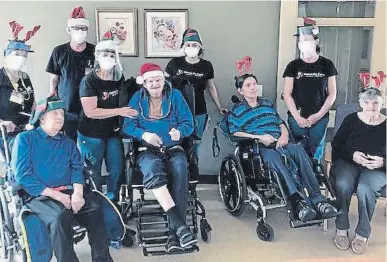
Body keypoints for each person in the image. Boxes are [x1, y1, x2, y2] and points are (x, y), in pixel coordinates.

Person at [227, 62, 338, 222]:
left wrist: (284, 135)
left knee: (299, 151)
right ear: (240, 90)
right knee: (274, 158)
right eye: (248, 85)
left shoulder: (267, 105)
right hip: (260, 146)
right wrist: (259, 138)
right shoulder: (237, 110)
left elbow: (280, 123)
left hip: (281, 141)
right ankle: (297, 202)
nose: (253, 87)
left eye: (254, 84)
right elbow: (234, 132)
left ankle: (318, 200)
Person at [11, 95, 113, 262]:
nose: (60, 117)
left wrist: (78, 194)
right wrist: (57, 195)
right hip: (40, 196)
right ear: (42, 118)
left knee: (94, 209)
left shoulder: (67, 142)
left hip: (71, 191)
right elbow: (23, 175)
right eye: (55, 114)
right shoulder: (25, 139)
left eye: (62, 114)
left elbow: (77, 168)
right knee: (60, 216)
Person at [124, 63, 197, 252]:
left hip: (174, 148)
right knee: (152, 169)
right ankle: (180, 227)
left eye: (158, 80)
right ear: (144, 84)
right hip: (146, 150)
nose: (155, 84)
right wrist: (144, 135)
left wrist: (179, 132)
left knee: (180, 170)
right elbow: (128, 126)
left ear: (163, 80)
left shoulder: (176, 96)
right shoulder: (136, 99)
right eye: (151, 81)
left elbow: (189, 123)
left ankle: (174, 234)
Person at [77, 31, 137, 200]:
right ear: (97, 56)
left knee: (116, 169)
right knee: (92, 171)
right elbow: (91, 111)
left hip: (112, 133)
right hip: (90, 133)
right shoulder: (88, 81)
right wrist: (119, 111)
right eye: (105, 54)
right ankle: (94, 203)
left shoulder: (119, 77)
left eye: (112, 54)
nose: (109, 57)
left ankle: (113, 203)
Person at [331, 80, 386, 255]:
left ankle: (362, 234)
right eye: (367, 102)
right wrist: (352, 154)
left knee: (365, 188)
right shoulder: (351, 119)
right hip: (349, 162)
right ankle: (341, 227)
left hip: (377, 168)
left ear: (382, 104)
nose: (371, 106)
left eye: (376, 102)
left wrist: (383, 161)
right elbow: (336, 144)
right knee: (343, 183)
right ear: (361, 104)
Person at [164, 28, 227, 159]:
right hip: (176, 110)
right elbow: (163, 85)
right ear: (183, 46)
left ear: (200, 47)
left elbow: (211, 87)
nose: (191, 47)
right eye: (188, 45)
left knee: (195, 143)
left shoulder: (206, 66)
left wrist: (219, 106)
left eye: (194, 45)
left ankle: (193, 171)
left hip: (198, 110)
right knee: (176, 142)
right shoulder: (174, 63)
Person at [283, 17, 337, 164]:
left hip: (320, 118)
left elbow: (332, 93)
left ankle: (315, 182)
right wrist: (297, 117)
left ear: (316, 42)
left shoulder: (327, 64)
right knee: (298, 152)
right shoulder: (293, 66)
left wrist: (318, 116)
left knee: (315, 154)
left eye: (308, 39)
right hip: (297, 118)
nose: (304, 43)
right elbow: (287, 94)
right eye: (302, 40)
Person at [46, 6, 95, 141]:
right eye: (76, 28)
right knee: (68, 142)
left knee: (87, 144)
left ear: (87, 30)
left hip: (90, 106)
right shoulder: (59, 51)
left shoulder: (95, 51)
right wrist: (52, 95)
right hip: (67, 106)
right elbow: (54, 77)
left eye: (83, 28)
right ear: (69, 30)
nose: (80, 31)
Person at [0, 21, 40, 152]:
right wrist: (2, 123)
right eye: (17, 54)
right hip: (5, 136)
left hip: (26, 130)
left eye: (24, 55)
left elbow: (32, 103)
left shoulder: (25, 77)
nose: (21, 58)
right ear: (6, 55)